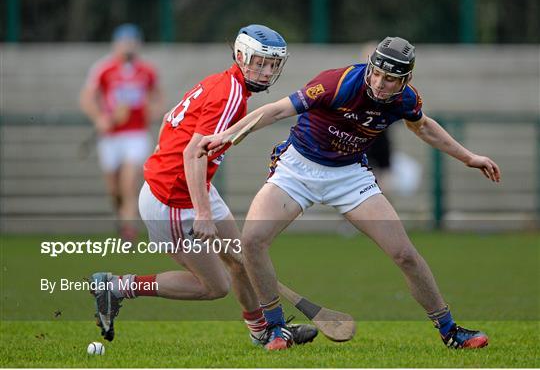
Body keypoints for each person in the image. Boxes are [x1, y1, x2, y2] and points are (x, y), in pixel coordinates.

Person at [199, 36, 501, 351]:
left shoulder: (406, 100)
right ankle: (276, 329)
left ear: (405, 80)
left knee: (405, 254)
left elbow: (423, 127)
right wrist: (228, 135)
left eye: (390, 79)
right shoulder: (337, 83)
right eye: (377, 74)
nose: (380, 84)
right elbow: (276, 111)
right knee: (252, 240)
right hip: (297, 169)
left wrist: (469, 157)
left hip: (349, 175)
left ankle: (450, 330)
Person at [89, 24, 318, 348]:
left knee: (242, 259)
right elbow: (193, 151)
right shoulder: (231, 95)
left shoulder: (222, 83)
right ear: (240, 56)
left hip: (192, 188)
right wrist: (203, 213)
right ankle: (116, 287)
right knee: (214, 286)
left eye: (272, 65)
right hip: (172, 200)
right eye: (259, 62)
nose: (266, 72)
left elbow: (170, 118)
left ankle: (264, 333)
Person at [80, 23, 164, 240]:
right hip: (111, 138)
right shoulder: (104, 69)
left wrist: (151, 112)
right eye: (124, 42)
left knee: (129, 183)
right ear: (116, 44)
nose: (128, 47)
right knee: (114, 190)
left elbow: (159, 99)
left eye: (132, 42)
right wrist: (100, 118)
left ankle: (129, 231)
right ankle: (122, 216)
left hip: (135, 134)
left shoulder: (147, 71)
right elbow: (87, 99)